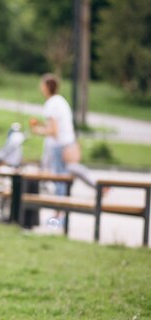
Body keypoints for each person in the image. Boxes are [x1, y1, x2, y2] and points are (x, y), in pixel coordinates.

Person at [29, 73, 105, 221]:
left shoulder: (51, 104)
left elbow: (53, 131)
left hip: (59, 146)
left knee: (59, 179)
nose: (40, 88)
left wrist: (37, 130)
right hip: (67, 143)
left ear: (46, 87)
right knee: (69, 171)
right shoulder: (60, 101)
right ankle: (97, 186)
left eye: (42, 85)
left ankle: (59, 214)